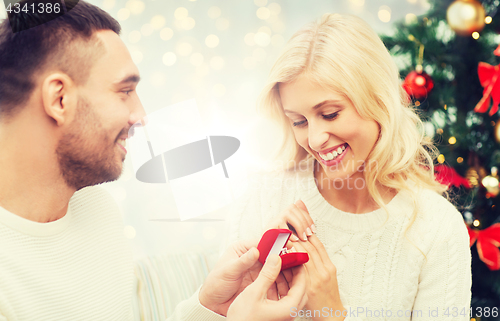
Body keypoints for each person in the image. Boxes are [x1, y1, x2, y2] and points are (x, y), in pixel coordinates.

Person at [0, 1, 307, 320]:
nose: (141, 116)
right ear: (59, 99)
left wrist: (209, 307)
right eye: (124, 91)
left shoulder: (97, 210)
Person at [224, 13, 472, 321]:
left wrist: (334, 314)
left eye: (329, 114)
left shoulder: (436, 228)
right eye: (298, 121)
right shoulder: (262, 199)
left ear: (378, 102)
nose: (314, 139)